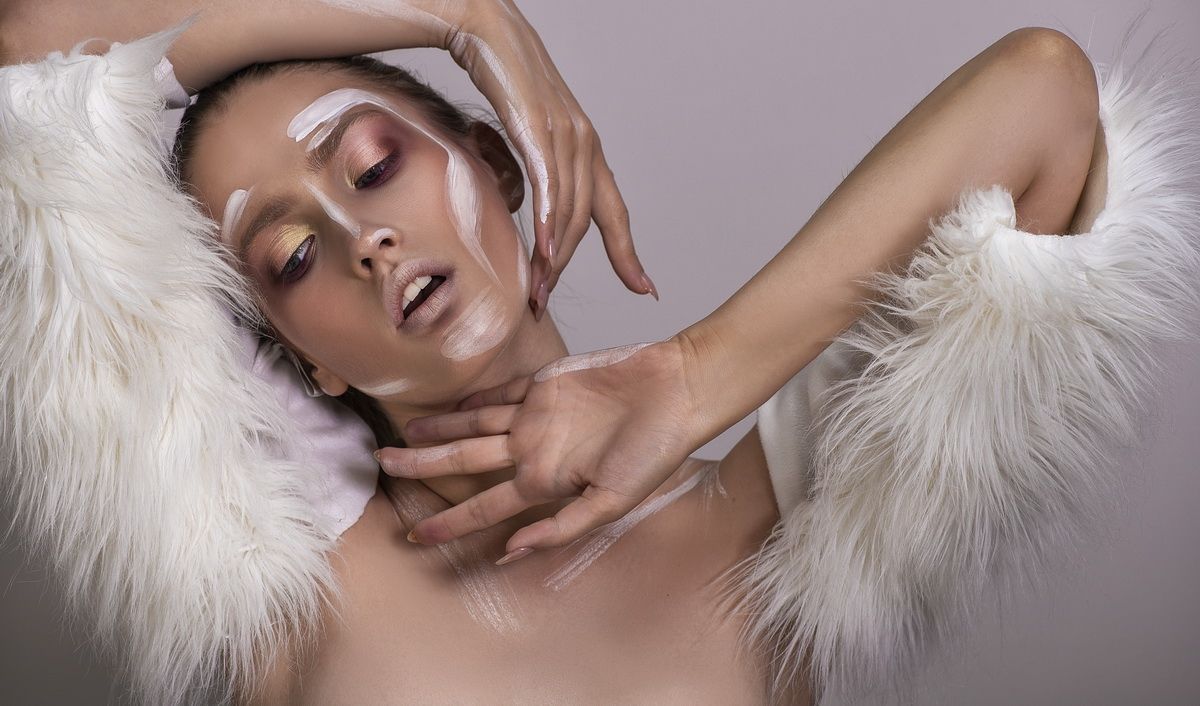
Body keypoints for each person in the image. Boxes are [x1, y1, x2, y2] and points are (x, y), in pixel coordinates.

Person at [7, 2, 1196, 704]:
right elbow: (26, 47)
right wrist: (463, 14)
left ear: (499, 162)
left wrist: (693, 378)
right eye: (292, 256)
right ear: (298, 358)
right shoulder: (282, 556)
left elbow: (1043, 97)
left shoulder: (768, 528)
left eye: (373, 165)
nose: (362, 239)